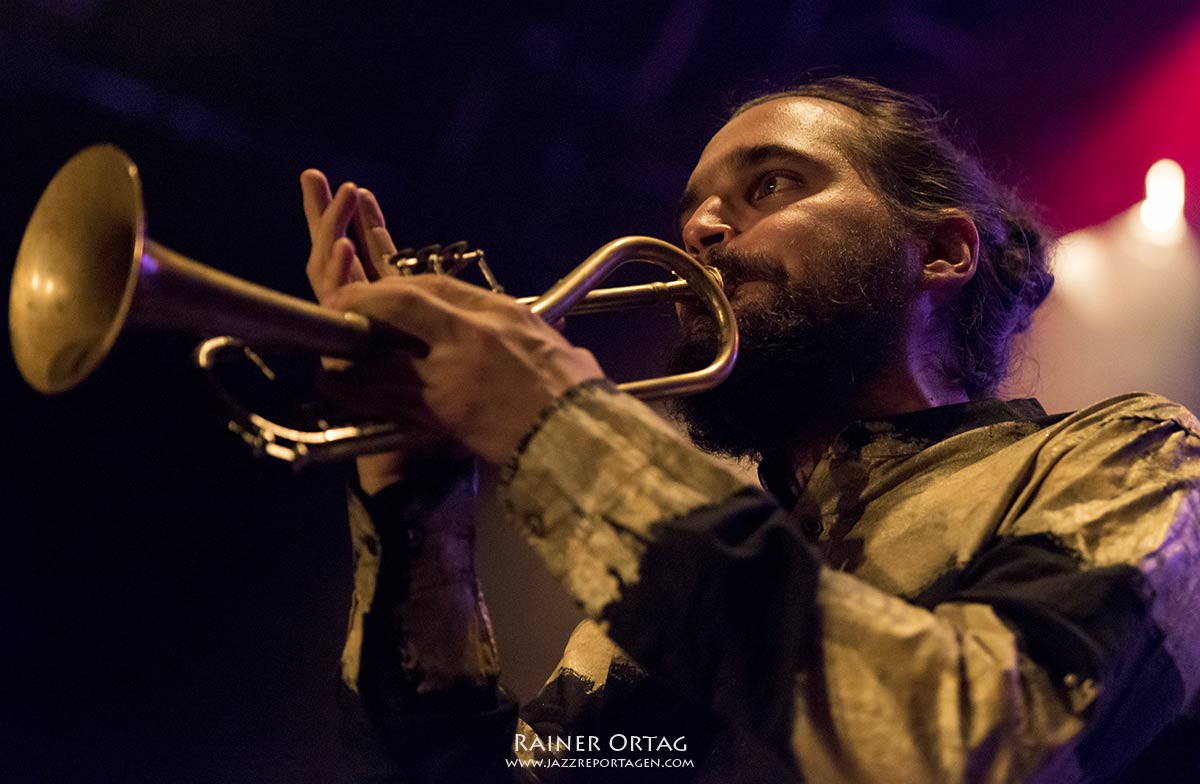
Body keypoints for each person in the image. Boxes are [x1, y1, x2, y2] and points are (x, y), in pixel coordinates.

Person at [298, 77, 1200, 782]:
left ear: (941, 251)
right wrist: (411, 494)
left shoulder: (1133, 456)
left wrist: (557, 422)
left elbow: (974, 747)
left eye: (771, 183)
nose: (700, 227)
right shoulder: (656, 595)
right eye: (691, 206)